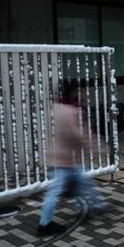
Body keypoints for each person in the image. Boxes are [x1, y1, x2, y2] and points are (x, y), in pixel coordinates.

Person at [37, 79, 106, 236]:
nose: (83, 94)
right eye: (80, 90)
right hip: (62, 159)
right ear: (73, 92)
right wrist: (96, 146)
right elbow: (77, 135)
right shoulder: (71, 110)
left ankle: (98, 205)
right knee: (56, 192)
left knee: (82, 179)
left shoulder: (56, 107)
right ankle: (44, 224)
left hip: (60, 157)